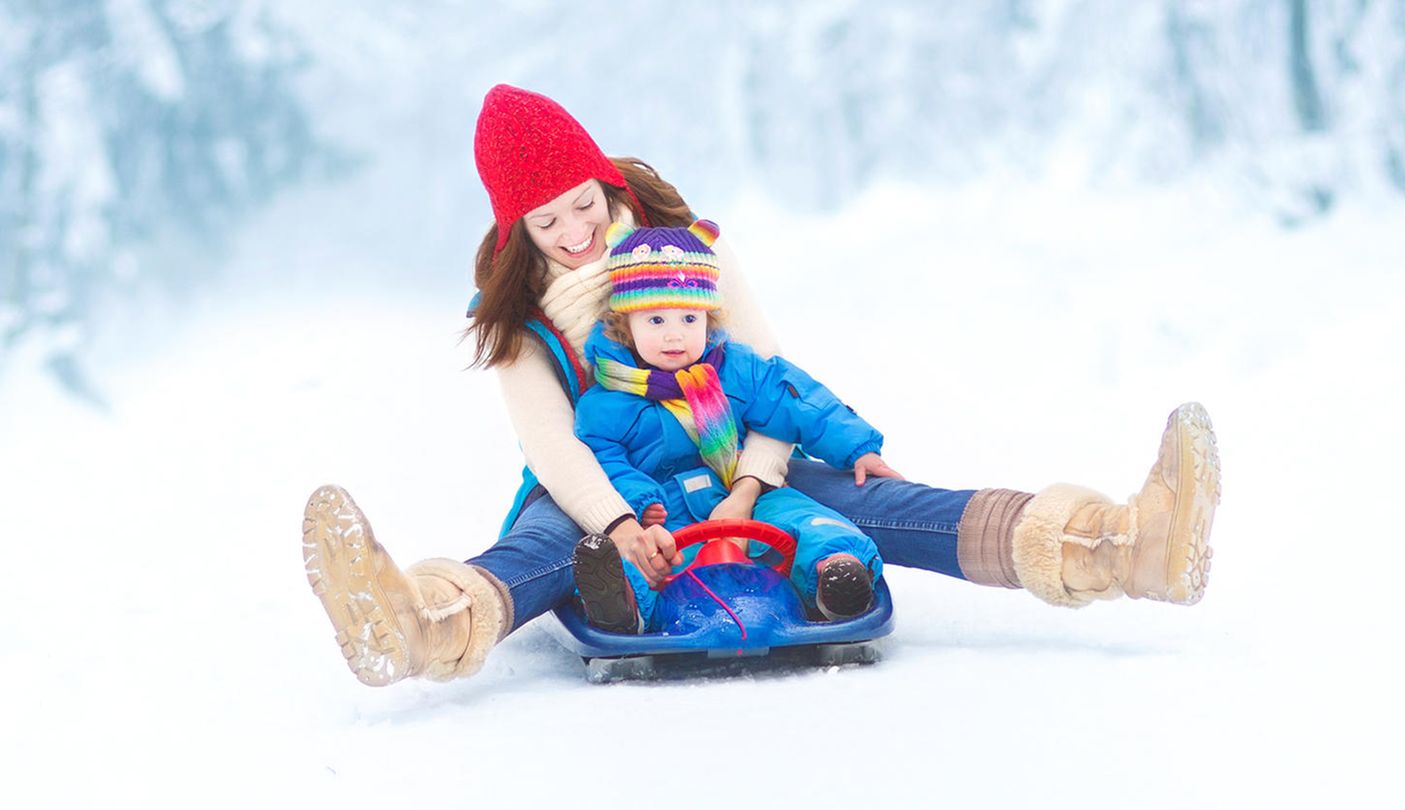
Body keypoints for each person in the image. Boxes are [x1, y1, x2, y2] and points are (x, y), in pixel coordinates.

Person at [301, 84, 1221, 688]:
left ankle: (1117, 546)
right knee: (546, 550)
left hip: (737, 456)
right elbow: (555, 445)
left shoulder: (692, 252)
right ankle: (419, 623)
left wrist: (752, 480)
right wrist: (619, 522)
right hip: (604, 484)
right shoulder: (519, 323)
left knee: (883, 503)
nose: (578, 231)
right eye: (549, 223)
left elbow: (768, 377)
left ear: (603, 180)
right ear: (517, 232)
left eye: (585, 202)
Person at [571, 218, 893, 633]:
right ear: (625, 325)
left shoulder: (734, 369)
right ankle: (621, 602)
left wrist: (857, 446)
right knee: (647, 557)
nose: (675, 336)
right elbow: (602, 459)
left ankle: (835, 575)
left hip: (741, 492)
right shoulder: (606, 402)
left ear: (708, 319)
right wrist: (639, 499)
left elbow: (794, 398)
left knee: (805, 518)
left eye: (690, 319)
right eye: (656, 321)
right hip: (667, 512)